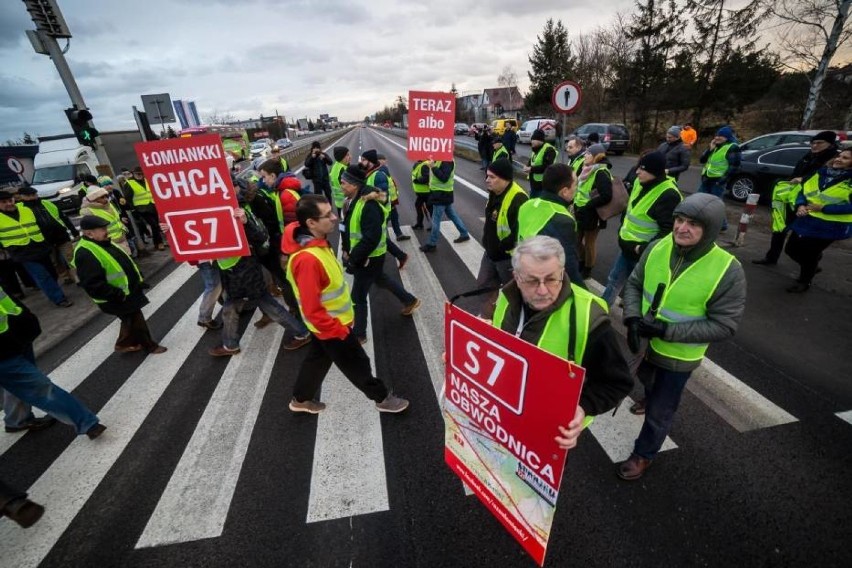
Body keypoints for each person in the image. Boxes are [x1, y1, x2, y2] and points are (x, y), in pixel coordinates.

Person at [620, 193, 746, 480]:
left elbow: (725, 326)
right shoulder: (658, 246)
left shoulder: (728, 271)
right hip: (645, 345)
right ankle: (649, 397)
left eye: (693, 224)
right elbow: (634, 284)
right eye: (679, 220)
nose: (681, 228)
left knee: (661, 411)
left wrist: (667, 330)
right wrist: (632, 317)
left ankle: (644, 454)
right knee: (647, 381)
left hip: (678, 357)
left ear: (710, 230)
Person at [490, 236, 633, 450]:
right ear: (516, 278)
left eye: (551, 279)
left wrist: (583, 407)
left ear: (563, 273)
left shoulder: (589, 318)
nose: (542, 290)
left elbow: (617, 382)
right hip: (502, 414)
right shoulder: (505, 297)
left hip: (549, 433)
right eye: (531, 280)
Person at [283, 195, 410, 414]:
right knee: (358, 364)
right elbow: (312, 308)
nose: (334, 218)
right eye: (327, 215)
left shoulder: (316, 243)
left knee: (317, 360)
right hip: (330, 327)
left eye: (332, 212)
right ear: (310, 223)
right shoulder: (308, 260)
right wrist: (338, 330)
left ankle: (301, 399)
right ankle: (382, 398)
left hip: (327, 325)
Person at [0, 284, 106, 439]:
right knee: (41, 388)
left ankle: (17, 420)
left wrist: (26, 320)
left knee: (17, 385)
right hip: (4, 354)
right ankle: (87, 422)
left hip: (17, 337)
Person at [207, 203, 311, 356]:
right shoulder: (208, 214)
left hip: (246, 274)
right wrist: (172, 229)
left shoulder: (240, 211)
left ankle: (230, 345)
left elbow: (261, 236)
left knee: (266, 307)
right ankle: (230, 344)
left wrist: (246, 221)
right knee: (243, 308)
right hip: (232, 274)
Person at [339, 165, 421, 344]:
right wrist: (345, 247)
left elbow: (372, 237)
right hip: (367, 256)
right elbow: (347, 228)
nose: (340, 186)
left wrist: (354, 258)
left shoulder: (368, 205)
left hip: (369, 257)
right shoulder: (351, 200)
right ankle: (409, 300)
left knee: (358, 296)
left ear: (354, 185)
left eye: (343, 182)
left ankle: (359, 334)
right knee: (381, 279)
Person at [73, 215, 167, 354]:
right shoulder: (85, 252)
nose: (107, 231)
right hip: (116, 296)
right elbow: (92, 284)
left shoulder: (103, 242)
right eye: (102, 229)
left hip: (126, 292)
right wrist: (117, 294)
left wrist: (138, 279)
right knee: (136, 321)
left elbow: (123, 263)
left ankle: (123, 344)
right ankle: (150, 346)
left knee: (128, 319)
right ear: (89, 233)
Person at [602, 152, 682, 307]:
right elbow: (631, 209)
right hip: (626, 247)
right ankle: (601, 310)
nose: (637, 171)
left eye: (642, 169)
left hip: (645, 254)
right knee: (614, 280)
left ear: (655, 172)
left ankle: (631, 316)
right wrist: (621, 230)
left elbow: (669, 231)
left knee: (639, 288)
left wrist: (642, 249)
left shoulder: (669, 194)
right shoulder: (640, 182)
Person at [754, 130, 839, 267]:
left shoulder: (833, 159)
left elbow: (824, 177)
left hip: (812, 203)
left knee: (804, 238)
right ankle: (771, 257)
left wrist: (803, 179)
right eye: (813, 143)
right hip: (793, 197)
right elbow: (797, 173)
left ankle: (810, 265)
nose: (815, 145)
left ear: (829, 144)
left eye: (819, 143)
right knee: (780, 228)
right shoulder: (810, 155)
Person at [783, 148, 852, 293]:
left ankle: (804, 282)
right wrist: (801, 204)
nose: (839, 159)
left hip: (831, 225)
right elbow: (803, 191)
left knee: (810, 254)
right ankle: (813, 267)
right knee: (791, 249)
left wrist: (824, 208)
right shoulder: (821, 172)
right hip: (808, 219)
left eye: (845, 158)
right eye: (839, 156)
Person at [517, 163, 585, 288]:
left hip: (523, 272)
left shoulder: (527, 205)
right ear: (564, 191)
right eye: (575, 184)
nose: (577, 188)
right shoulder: (563, 220)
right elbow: (569, 268)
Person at [0, 190, 72, 307]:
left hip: (40, 247)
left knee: (52, 273)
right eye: (4, 202)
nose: (9, 203)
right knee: (42, 276)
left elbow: (40, 225)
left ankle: (53, 291)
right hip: (22, 252)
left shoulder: (26, 210)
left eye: (10, 200)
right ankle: (59, 299)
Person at [477, 158, 528, 318]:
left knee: (511, 295)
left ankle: (512, 325)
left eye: (492, 177)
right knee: (484, 285)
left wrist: (501, 247)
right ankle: (487, 318)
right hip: (491, 253)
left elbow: (519, 233)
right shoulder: (494, 192)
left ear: (505, 178)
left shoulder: (519, 199)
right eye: (487, 176)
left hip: (508, 258)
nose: (487, 180)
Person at [359, 150, 409, 269]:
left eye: (363, 160)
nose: (361, 162)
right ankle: (400, 256)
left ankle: (375, 263)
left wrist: (367, 197)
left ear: (370, 161)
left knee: (375, 236)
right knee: (379, 235)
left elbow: (384, 196)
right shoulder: (369, 173)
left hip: (380, 212)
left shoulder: (379, 175)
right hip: (374, 211)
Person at [573, 143, 614, 279]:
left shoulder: (601, 172)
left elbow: (606, 196)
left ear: (597, 156)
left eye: (588, 154)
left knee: (589, 243)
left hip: (592, 214)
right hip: (580, 211)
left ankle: (587, 268)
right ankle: (581, 261)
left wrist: (588, 206)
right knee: (576, 240)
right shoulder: (587, 169)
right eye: (585, 153)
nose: (585, 155)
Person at [420, 158, 471, 252]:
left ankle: (432, 244)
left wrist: (433, 167)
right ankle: (464, 233)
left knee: (436, 220)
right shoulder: (440, 158)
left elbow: (444, 178)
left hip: (441, 195)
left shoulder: (447, 160)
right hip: (442, 193)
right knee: (452, 215)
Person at [697, 125, 741, 232]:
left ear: (727, 137)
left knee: (715, 204)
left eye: (721, 136)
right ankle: (701, 221)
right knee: (699, 200)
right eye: (717, 135)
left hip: (718, 181)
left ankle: (722, 225)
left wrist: (722, 180)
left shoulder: (732, 147)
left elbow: (734, 167)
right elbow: (702, 160)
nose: (717, 138)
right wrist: (710, 149)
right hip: (707, 178)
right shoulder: (715, 146)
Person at [79, 186, 131, 255]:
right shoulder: (87, 211)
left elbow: (114, 218)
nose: (106, 199)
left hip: (122, 237)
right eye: (102, 197)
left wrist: (121, 220)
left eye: (106, 196)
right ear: (94, 199)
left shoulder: (108, 204)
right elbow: (89, 232)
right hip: (109, 242)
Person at [125, 166, 166, 250]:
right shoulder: (129, 183)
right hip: (141, 208)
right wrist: (133, 210)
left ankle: (158, 243)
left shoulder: (147, 180)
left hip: (152, 206)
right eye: (138, 174)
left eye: (141, 174)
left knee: (156, 225)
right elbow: (128, 198)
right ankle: (159, 243)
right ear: (133, 174)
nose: (140, 175)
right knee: (153, 225)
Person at [377, 153, 412, 244]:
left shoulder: (384, 170)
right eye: (384, 159)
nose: (386, 161)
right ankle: (378, 238)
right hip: (386, 202)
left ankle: (398, 234)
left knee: (394, 217)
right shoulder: (380, 172)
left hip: (391, 201)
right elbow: (382, 189)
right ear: (380, 161)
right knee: (384, 220)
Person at [524, 129, 557, 198]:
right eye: (532, 139)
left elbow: (547, 167)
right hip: (534, 184)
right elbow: (532, 159)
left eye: (533, 139)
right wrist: (527, 165)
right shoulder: (535, 148)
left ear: (540, 140)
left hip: (543, 185)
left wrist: (531, 169)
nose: (531, 141)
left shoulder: (549, 150)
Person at [410, 159, 432, 230]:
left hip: (426, 192)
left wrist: (417, 181)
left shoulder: (425, 165)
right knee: (418, 206)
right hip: (421, 192)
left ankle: (434, 225)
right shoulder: (419, 164)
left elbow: (427, 178)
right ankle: (419, 224)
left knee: (430, 208)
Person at [329, 146, 350, 214]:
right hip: (346, 202)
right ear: (342, 157)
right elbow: (350, 187)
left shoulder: (334, 166)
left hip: (338, 202)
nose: (350, 156)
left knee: (342, 221)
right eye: (347, 155)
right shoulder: (343, 169)